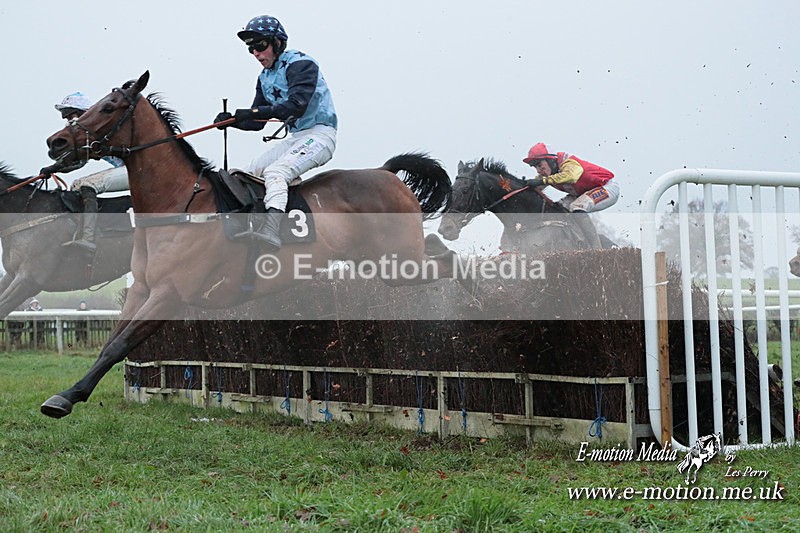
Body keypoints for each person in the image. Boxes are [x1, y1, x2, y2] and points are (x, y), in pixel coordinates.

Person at [214, 15, 338, 250]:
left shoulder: (301, 64)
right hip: (297, 138)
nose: (256, 54)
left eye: (260, 46)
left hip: (321, 135)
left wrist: (249, 113)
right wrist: (231, 120)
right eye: (251, 49)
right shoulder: (264, 78)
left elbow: (295, 106)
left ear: (278, 42)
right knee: (245, 173)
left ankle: (272, 231)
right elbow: (257, 122)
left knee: (276, 172)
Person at [54, 92, 129, 252]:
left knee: (87, 185)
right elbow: (79, 161)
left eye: (69, 115)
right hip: (125, 170)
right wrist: (54, 168)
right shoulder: (88, 132)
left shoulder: (99, 128)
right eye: (65, 116)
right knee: (76, 185)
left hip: (134, 171)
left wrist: (56, 167)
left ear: (82, 113)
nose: (67, 120)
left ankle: (88, 238)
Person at [522, 142, 620, 248]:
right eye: (535, 167)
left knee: (577, 207)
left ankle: (597, 250)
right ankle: (581, 243)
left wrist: (543, 181)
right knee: (558, 209)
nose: (538, 170)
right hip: (584, 193)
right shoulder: (548, 173)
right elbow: (536, 187)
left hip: (607, 187)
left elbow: (571, 176)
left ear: (550, 160)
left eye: (540, 165)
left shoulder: (568, 162)